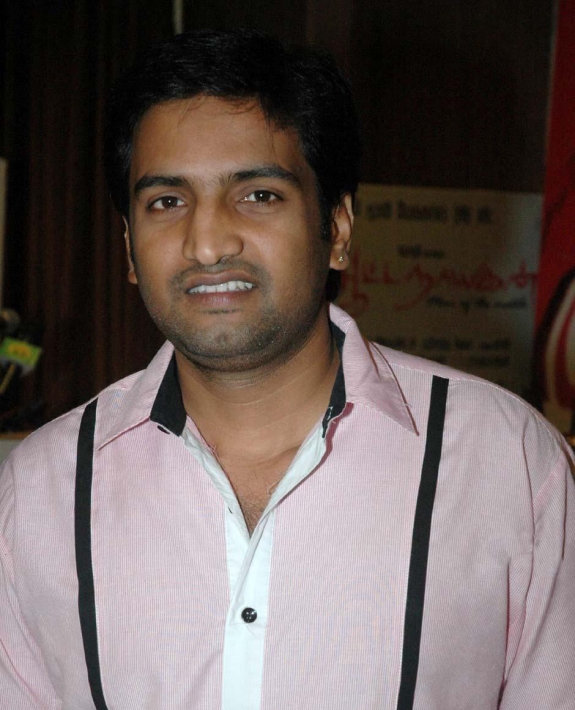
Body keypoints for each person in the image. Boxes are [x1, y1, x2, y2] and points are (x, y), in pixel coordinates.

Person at [1, 29, 573, 710]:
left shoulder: (509, 463)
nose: (207, 243)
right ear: (128, 248)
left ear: (338, 228)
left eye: (258, 195)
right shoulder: (40, 491)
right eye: (166, 202)